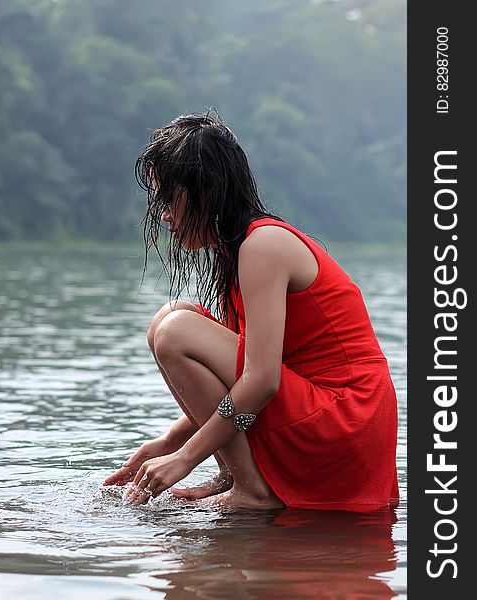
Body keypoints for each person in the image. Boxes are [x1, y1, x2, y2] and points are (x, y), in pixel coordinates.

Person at [102, 111, 399, 511]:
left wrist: (185, 457)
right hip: (326, 412)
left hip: (346, 418)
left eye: (170, 198)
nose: (164, 214)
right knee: (168, 318)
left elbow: (261, 383)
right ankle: (237, 477)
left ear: (205, 192)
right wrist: (170, 442)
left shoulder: (263, 245)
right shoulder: (236, 252)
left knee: (176, 331)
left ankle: (252, 489)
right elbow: (236, 384)